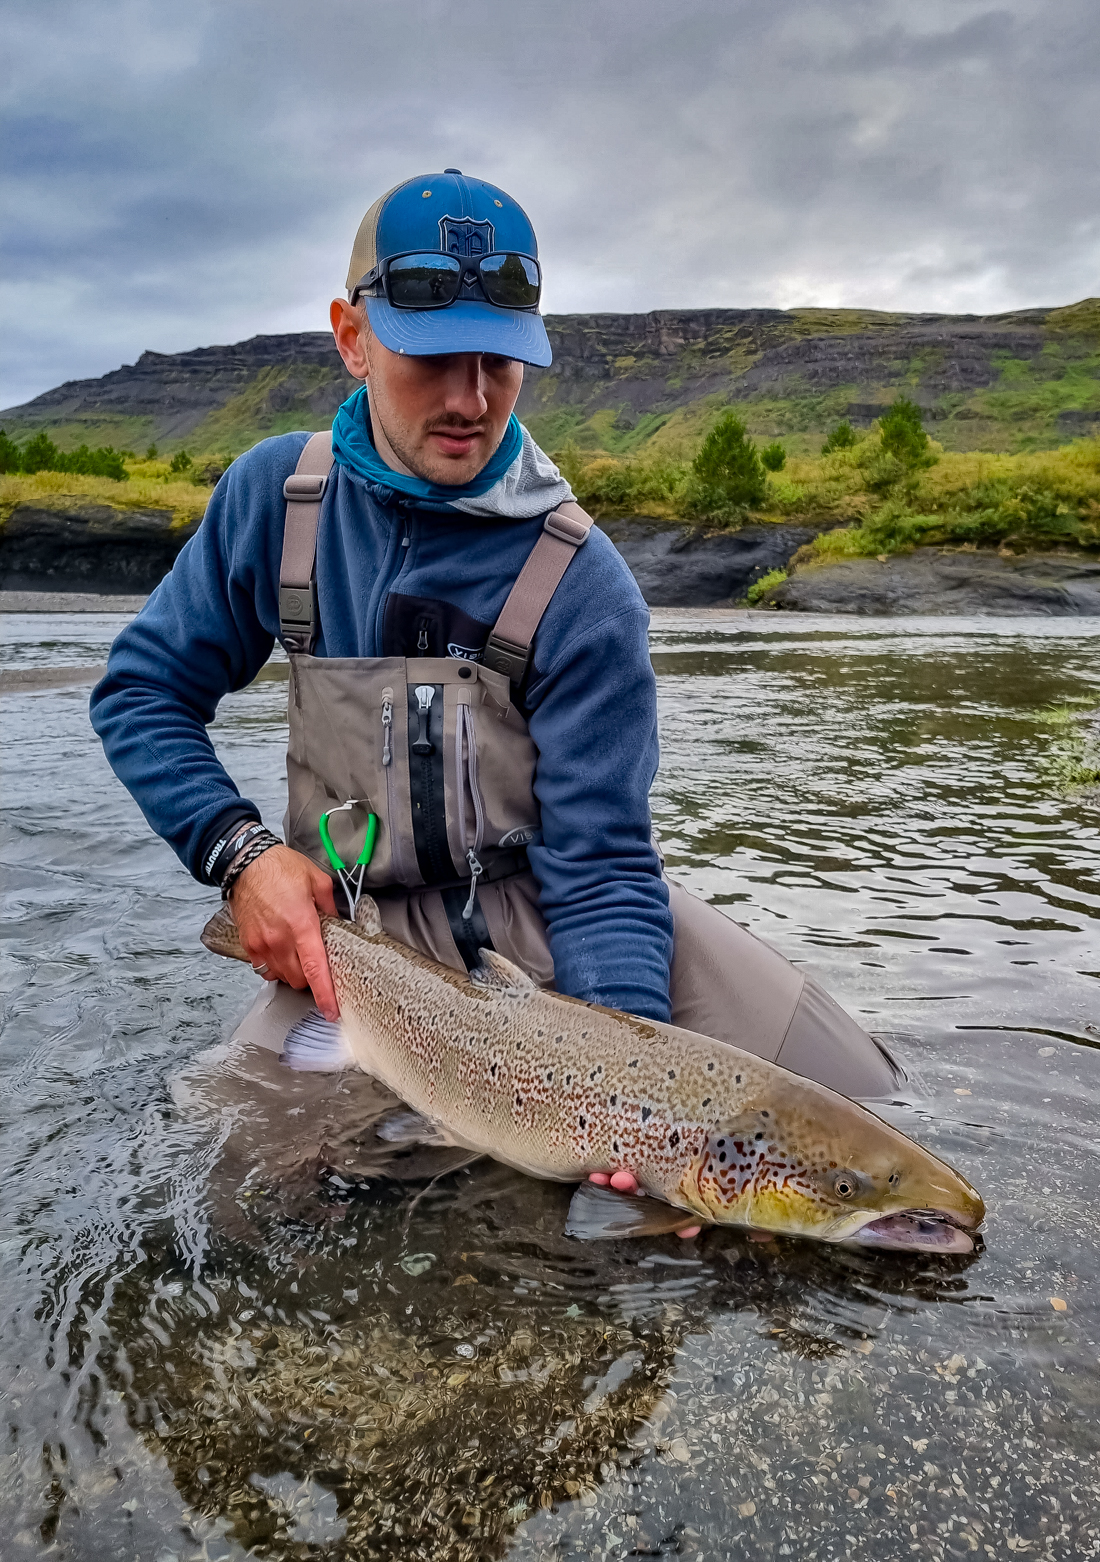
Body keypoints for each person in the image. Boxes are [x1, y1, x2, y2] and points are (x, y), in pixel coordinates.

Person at [91, 170, 901, 1236]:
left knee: (863, 1097)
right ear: (352, 337)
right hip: (354, 934)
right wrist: (241, 856)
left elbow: (602, 858)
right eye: (434, 357)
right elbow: (140, 691)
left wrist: (623, 1086)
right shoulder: (272, 503)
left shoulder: (585, 580)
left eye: (500, 360)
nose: (470, 397)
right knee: (232, 1195)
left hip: (541, 908)